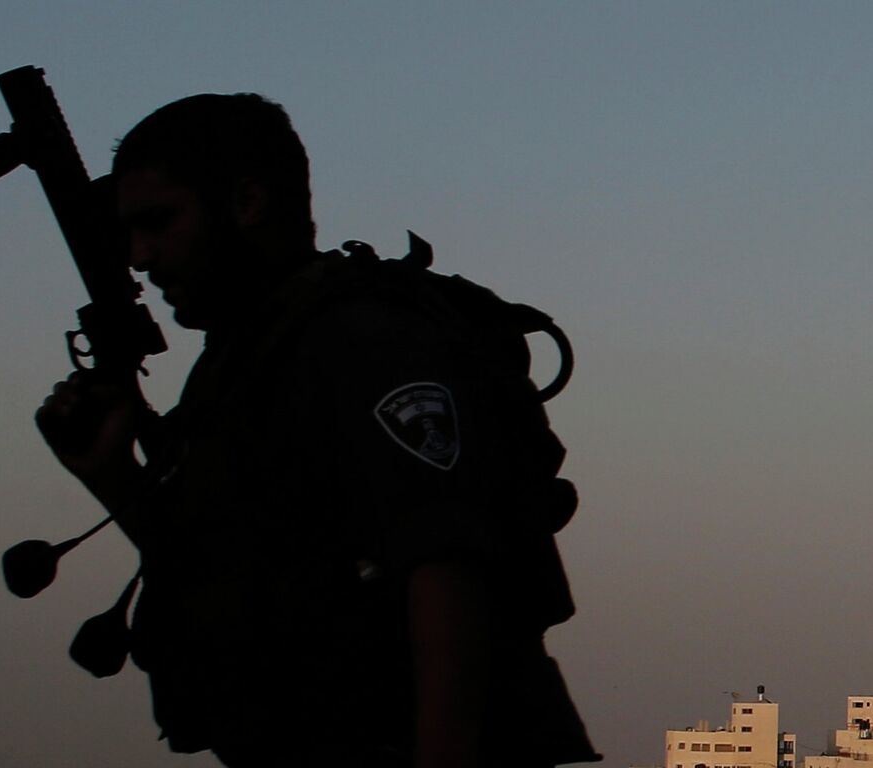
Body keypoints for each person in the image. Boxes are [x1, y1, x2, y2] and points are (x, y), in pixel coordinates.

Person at [35, 93, 598, 768]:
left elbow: (447, 564)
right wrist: (109, 472)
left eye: (158, 222)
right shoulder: (248, 364)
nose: (140, 256)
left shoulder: (364, 339)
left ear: (246, 202)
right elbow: (224, 572)